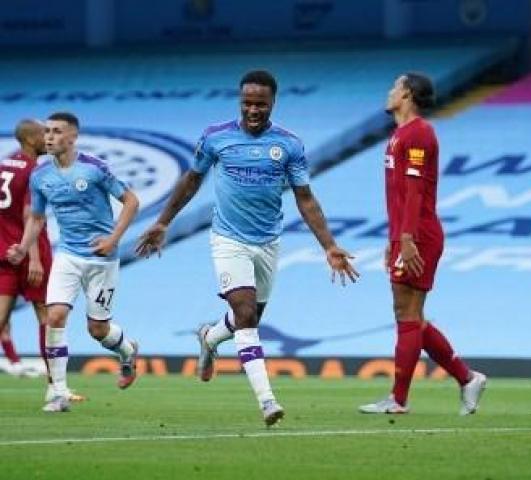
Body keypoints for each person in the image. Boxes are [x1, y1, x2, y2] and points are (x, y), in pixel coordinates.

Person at [135, 70, 359, 427]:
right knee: (244, 314)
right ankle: (268, 401)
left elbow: (305, 198)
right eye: (247, 103)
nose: (253, 110)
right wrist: (163, 222)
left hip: (269, 241)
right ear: (240, 102)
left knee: (249, 319)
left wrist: (329, 246)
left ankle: (209, 338)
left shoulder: (288, 145)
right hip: (227, 239)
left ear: (273, 103)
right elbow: (192, 179)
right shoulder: (215, 137)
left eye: (260, 104)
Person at [358, 73, 487, 416]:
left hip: (420, 235)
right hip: (407, 234)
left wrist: (407, 238)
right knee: (412, 317)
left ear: (408, 94)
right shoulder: (400, 134)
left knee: (407, 314)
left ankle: (399, 400)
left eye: (394, 86)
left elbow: (414, 192)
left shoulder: (419, 133)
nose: (389, 91)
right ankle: (467, 378)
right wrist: (394, 238)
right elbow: (398, 196)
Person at [7, 112, 140, 413]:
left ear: (72, 137)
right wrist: (24, 247)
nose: (49, 137)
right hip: (67, 254)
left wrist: (113, 239)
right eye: (47, 132)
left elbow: (131, 201)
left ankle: (128, 351)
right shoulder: (39, 176)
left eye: (56, 132)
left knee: (98, 330)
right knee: (54, 316)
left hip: (101, 258)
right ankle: (58, 392)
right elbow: (37, 218)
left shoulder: (94, 169)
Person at [1, 120, 84, 400]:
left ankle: (55, 386)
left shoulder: (5, 165)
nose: (47, 138)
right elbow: (31, 216)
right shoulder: (33, 170)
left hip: (4, 249)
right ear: (29, 139)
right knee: (47, 317)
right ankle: (55, 387)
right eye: (42, 134)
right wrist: (34, 258)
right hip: (28, 251)